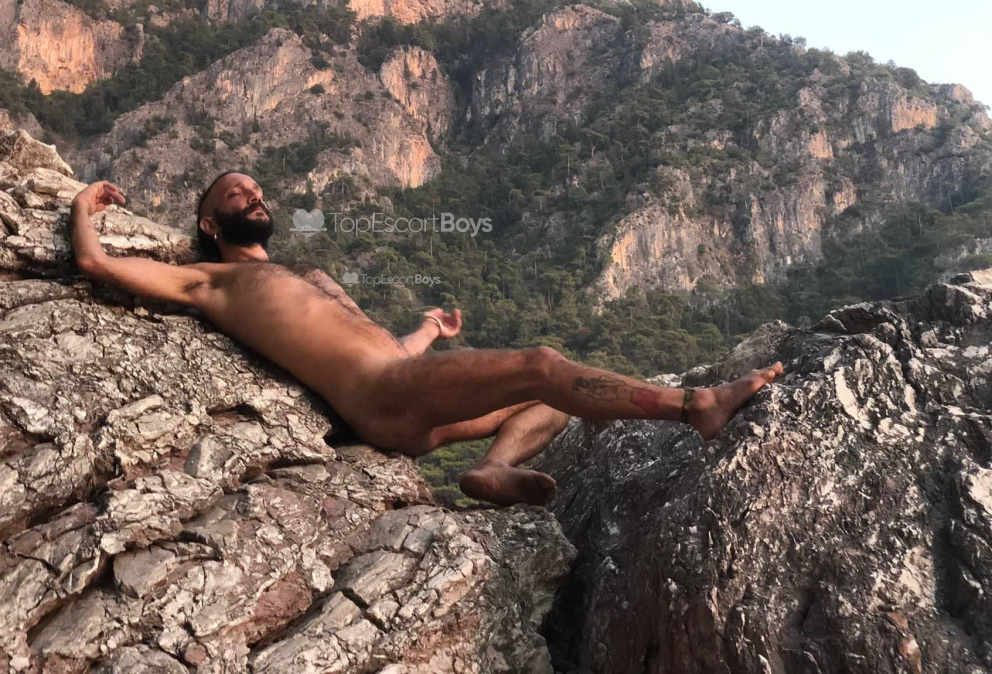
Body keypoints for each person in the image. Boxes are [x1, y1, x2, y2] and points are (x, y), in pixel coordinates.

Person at [68, 172, 784, 507]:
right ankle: (695, 406)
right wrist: (82, 207)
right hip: (378, 400)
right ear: (209, 223)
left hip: (401, 392)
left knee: (550, 400)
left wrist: (428, 331)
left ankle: (493, 469)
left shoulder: (307, 275)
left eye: (257, 190)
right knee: (542, 364)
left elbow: (382, 347)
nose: (254, 196)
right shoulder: (212, 280)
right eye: (236, 194)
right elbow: (97, 264)